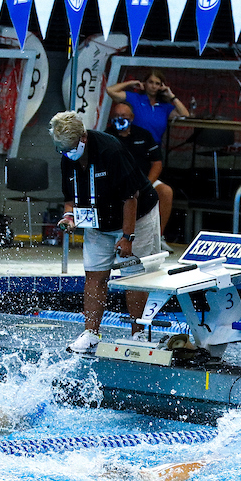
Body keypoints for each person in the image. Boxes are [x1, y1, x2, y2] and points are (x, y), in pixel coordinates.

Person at [50, 110, 160, 355]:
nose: (67, 154)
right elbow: (70, 197)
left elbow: (131, 198)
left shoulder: (111, 150)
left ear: (84, 138)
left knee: (134, 276)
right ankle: (91, 333)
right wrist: (69, 217)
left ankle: (138, 333)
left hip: (135, 216)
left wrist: (127, 237)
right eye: (62, 150)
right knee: (95, 275)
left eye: (70, 148)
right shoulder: (67, 153)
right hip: (98, 220)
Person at [105, 100, 173, 238]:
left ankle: (158, 237)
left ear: (132, 118)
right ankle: (119, 234)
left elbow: (157, 163)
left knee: (166, 192)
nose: (120, 118)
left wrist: (147, 184)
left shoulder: (144, 135)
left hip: (144, 181)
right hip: (117, 183)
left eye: (124, 115)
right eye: (116, 115)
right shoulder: (107, 136)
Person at [105, 68, 189, 144]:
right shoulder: (135, 98)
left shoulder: (165, 106)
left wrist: (171, 96)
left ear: (161, 86)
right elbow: (110, 90)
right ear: (145, 83)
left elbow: (185, 115)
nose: (153, 86)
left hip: (155, 147)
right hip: (134, 145)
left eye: (157, 84)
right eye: (151, 82)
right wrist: (131, 83)